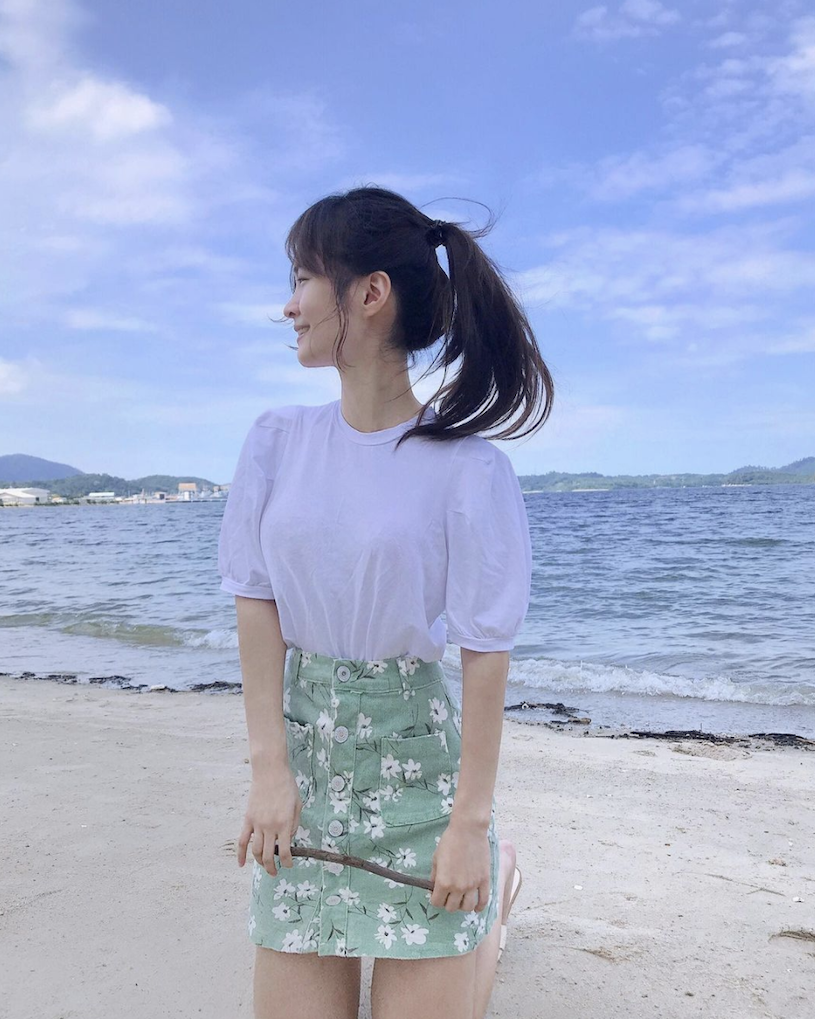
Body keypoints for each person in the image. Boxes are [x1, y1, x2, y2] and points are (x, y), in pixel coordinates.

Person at [217, 185, 554, 1019]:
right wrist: (268, 769)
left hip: (420, 772)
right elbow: (255, 600)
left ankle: (491, 906)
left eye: (304, 279)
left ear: (370, 292)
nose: (289, 305)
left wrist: (468, 823)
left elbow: (484, 651)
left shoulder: (467, 469)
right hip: (304, 763)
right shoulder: (276, 441)